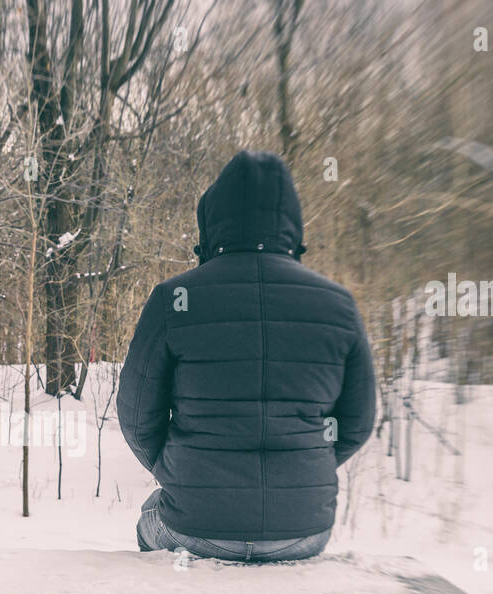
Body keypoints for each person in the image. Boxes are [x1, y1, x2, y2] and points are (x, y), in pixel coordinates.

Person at [118, 149, 376, 563]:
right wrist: (310, 465)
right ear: (291, 224)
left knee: (151, 515)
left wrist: (174, 469)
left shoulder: (174, 299)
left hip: (196, 526)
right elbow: (358, 421)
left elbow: (135, 414)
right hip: (304, 530)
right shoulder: (337, 304)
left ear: (214, 219)